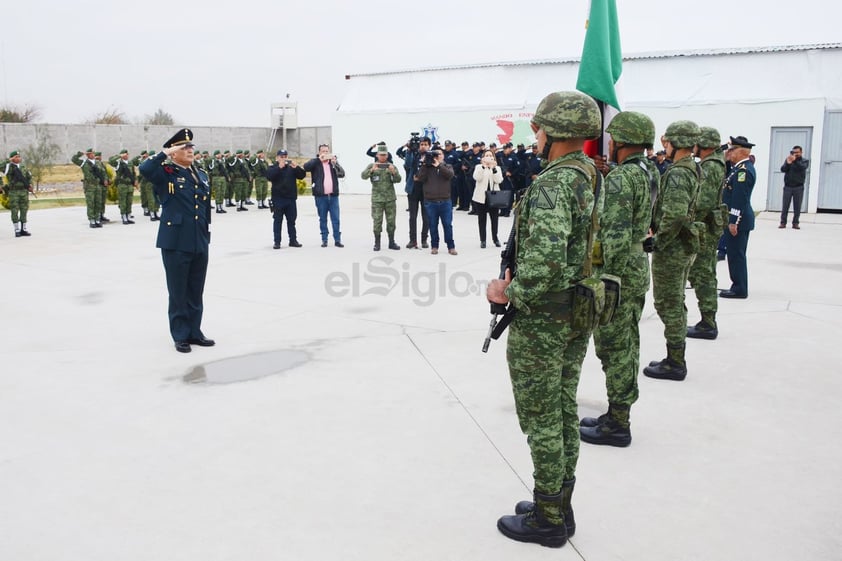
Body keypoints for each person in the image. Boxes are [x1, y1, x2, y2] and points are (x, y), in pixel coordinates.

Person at [487, 91, 602, 548]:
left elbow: (546, 261)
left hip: (544, 318)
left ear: (555, 132)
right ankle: (560, 505)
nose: (533, 135)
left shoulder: (555, 184)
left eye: (538, 127)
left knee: (541, 417)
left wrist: (507, 290)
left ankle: (548, 517)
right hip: (575, 309)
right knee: (562, 408)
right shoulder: (588, 174)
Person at [578, 111, 657, 448]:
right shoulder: (649, 170)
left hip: (619, 271)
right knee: (627, 342)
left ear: (623, 140)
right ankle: (616, 414)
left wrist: (608, 277)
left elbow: (615, 232)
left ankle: (618, 423)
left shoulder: (624, 178)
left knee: (615, 347)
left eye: (613, 137)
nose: (609, 142)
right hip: (637, 265)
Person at [139, 128, 214, 354]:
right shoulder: (166, 173)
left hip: (199, 239)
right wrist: (165, 152)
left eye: (191, 147)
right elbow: (145, 168)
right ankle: (180, 335)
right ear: (174, 152)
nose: (190, 150)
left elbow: (204, 208)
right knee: (178, 291)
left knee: (195, 289)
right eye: (184, 147)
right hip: (176, 242)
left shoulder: (200, 174)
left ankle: (195, 332)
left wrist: (206, 234)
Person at [643, 120, 702, 382]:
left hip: (673, 248)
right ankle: (674, 357)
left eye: (667, 142)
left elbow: (675, 215)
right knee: (675, 301)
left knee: (669, 303)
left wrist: (659, 241)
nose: (663, 146)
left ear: (677, 143)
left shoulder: (679, 173)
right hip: (682, 244)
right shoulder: (690, 168)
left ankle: (675, 362)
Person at [686, 127, 727, 339]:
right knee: (705, 273)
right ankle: (708, 320)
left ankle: (708, 323)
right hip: (709, 226)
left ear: (706, 145)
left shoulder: (711, 166)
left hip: (705, 228)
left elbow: (703, 201)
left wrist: (688, 219)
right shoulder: (714, 163)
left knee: (703, 274)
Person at [719, 135, 756, 299]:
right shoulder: (738, 168)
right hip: (738, 219)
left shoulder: (743, 171)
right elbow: (727, 178)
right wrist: (725, 157)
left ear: (741, 152)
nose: (730, 153)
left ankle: (740, 288)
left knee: (736, 255)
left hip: (739, 220)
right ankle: (737, 285)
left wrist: (733, 222)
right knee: (734, 254)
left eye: (732, 150)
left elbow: (738, 199)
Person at [303, 144, 345, 247]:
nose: (325, 153)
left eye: (327, 151)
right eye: (323, 151)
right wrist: (318, 160)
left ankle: (337, 240)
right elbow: (306, 167)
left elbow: (342, 174)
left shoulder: (332, 163)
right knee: (322, 218)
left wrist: (336, 164)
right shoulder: (316, 163)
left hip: (333, 196)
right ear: (319, 152)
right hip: (321, 196)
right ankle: (324, 239)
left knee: (336, 219)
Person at [362, 144, 402, 251]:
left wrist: (393, 172)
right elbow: (363, 176)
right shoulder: (372, 166)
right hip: (377, 200)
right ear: (377, 155)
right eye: (381, 155)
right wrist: (371, 170)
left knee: (391, 222)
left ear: (387, 155)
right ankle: (377, 243)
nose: (383, 157)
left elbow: (398, 179)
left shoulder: (391, 166)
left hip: (390, 199)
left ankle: (391, 242)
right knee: (377, 222)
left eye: (385, 155)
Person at [417, 149, 456, 255]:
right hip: (430, 202)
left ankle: (451, 246)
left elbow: (450, 175)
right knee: (433, 225)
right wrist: (425, 164)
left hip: (445, 201)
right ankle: (434, 246)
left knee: (447, 224)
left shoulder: (447, 166)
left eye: (439, 154)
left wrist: (439, 166)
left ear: (443, 156)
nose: (437, 156)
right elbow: (420, 178)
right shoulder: (427, 167)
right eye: (435, 155)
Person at [264, 149, 306, 249]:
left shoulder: (291, 167)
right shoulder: (273, 167)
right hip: (278, 199)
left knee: (291, 221)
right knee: (278, 221)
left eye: (285, 157)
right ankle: (277, 242)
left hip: (290, 199)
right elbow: (269, 176)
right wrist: (279, 168)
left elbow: (302, 176)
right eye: (281, 157)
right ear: (277, 158)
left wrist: (297, 168)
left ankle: (293, 240)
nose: (284, 159)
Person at [471, 150, 503, 248]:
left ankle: (495, 238)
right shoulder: (478, 167)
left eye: (490, 155)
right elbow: (477, 178)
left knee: (494, 219)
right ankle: (483, 240)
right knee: (482, 219)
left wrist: (493, 169)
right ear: (483, 157)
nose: (489, 157)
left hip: (493, 197)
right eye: (487, 155)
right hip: (481, 197)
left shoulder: (497, 168)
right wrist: (484, 166)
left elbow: (499, 180)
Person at [72, 148, 108, 228]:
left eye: (93, 153)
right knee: (91, 204)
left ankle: (97, 220)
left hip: (98, 186)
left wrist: (105, 179)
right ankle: (92, 220)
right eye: (90, 153)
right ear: (87, 155)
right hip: (89, 187)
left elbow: (104, 172)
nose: (92, 155)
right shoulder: (84, 163)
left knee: (98, 203)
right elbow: (74, 159)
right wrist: (80, 154)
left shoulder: (98, 163)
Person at [3, 150, 34, 237]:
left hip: (24, 191)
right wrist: (8, 160)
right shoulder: (8, 166)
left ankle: (23, 229)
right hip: (14, 192)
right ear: (12, 158)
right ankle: (16, 229)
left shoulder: (23, 166)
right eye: (16, 157)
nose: (18, 158)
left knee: (24, 209)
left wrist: (31, 185)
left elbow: (29, 177)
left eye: (19, 156)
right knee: (15, 210)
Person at [779, 145, 809, 229]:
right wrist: (788, 164)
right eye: (793, 152)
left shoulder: (805, 161)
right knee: (785, 206)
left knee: (797, 206)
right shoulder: (789, 159)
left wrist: (795, 161)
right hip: (788, 186)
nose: (795, 154)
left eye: (797, 152)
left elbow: (802, 168)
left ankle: (795, 223)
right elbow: (782, 169)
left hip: (798, 187)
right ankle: (783, 222)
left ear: (801, 152)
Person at [111, 149, 138, 225]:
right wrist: (119, 156)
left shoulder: (130, 163)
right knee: (123, 202)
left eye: (127, 154)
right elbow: (111, 161)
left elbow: (133, 173)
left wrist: (135, 180)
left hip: (130, 185)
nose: (126, 155)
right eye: (124, 154)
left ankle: (128, 216)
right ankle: (124, 217)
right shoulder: (118, 163)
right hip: (122, 185)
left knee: (129, 202)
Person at [207, 150, 231, 214]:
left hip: (223, 178)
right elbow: (211, 167)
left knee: (222, 193)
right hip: (216, 178)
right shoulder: (213, 161)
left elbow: (225, 169)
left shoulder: (222, 161)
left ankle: (221, 206)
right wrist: (215, 159)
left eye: (220, 154)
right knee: (218, 193)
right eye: (219, 154)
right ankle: (218, 208)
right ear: (216, 155)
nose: (220, 155)